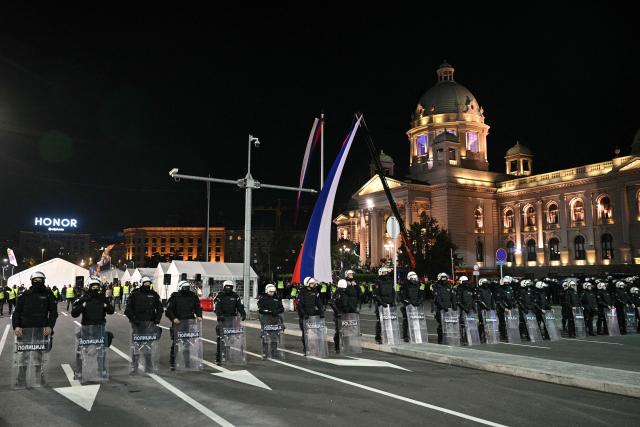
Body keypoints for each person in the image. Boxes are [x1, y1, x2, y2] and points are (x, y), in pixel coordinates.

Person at [12, 271, 58, 386]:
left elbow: (53, 312)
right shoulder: (25, 295)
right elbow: (16, 312)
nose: (37, 282)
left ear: (44, 281)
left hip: (41, 330)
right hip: (24, 330)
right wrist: (16, 326)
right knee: (23, 356)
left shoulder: (48, 295)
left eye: (40, 280)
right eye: (35, 280)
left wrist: (50, 326)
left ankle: (39, 378)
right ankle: (21, 379)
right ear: (31, 281)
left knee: (39, 355)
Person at [71, 277, 114, 379]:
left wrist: (106, 306)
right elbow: (74, 313)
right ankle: (79, 372)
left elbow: (111, 311)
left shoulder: (102, 299)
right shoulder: (84, 299)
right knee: (80, 350)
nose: (95, 288)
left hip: (99, 328)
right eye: (93, 286)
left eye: (97, 286)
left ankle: (102, 370)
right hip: (86, 329)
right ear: (89, 287)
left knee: (101, 350)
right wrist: (83, 306)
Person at [124, 276, 164, 374]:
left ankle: (149, 367)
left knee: (148, 346)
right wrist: (134, 320)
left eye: (148, 283)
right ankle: (134, 367)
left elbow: (160, 308)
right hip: (137, 324)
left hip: (150, 324)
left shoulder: (154, 295)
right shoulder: (135, 294)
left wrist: (157, 319)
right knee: (136, 346)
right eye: (145, 283)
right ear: (141, 283)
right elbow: (128, 310)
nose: (147, 285)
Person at [165, 280, 202, 370]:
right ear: (180, 288)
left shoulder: (193, 296)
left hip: (189, 323)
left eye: (187, 288)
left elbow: (197, 307)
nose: (186, 289)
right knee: (176, 343)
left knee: (188, 344)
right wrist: (173, 318)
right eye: (184, 288)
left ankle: (187, 362)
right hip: (178, 323)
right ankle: (173, 362)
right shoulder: (175, 297)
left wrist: (199, 315)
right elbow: (169, 310)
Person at [214, 280, 246, 364]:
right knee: (221, 338)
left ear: (232, 287)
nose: (228, 288)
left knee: (230, 338)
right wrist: (219, 315)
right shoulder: (219, 296)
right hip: (222, 319)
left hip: (232, 319)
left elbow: (239, 306)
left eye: (230, 287)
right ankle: (219, 357)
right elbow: (217, 307)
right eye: (227, 286)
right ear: (224, 287)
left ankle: (227, 355)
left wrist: (243, 314)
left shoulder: (235, 296)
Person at [330, 279, 359, 353]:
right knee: (338, 331)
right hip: (339, 315)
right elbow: (332, 303)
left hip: (346, 313)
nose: (343, 289)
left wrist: (353, 310)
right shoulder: (337, 293)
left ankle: (346, 345)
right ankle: (337, 347)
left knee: (347, 331)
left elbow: (350, 303)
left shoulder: (346, 293)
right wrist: (338, 312)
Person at [297, 277, 324, 354]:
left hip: (313, 315)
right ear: (307, 284)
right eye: (312, 283)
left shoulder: (315, 292)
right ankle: (306, 348)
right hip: (305, 316)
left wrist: (321, 312)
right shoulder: (302, 292)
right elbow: (300, 305)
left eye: (314, 283)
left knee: (316, 332)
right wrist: (303, 314)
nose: (314, 285)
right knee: (305, 333)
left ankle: (316, 347)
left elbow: (319, 303)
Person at [258, 284, 285, 357]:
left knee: (275, 335)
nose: (272, 293)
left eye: (273, 292)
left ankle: (274, 351)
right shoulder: (263, 298)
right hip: (266, 318)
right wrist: (269, 311)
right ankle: (265, 352)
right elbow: (260, 309)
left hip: (275, 318)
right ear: (267, 291)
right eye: (270, 292)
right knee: (265, 335)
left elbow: (282, 308)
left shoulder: (277, 298)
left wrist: (277, 311)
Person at [399, 271, 424, 342]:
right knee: (406, 321)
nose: (414, 280)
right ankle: (405, 336)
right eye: (413, 278)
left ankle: (416, 335)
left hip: (416, 306)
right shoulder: (404, 285)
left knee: (416, 321)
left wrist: (418, 302)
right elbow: (402, 297)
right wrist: (409, 303)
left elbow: (421, 295)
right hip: (407, 306)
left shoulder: (418, 285)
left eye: (415, 278)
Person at [373, 267, 396, 344]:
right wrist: (382, 303)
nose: (386, 274)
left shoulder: (390, 281)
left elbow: (393, 292)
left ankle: (389, 336)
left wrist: (393, 301)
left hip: (389, 304)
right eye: (384, 272)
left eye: (386, 272)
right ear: (380, 273)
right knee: (380, 321)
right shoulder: (377, 282)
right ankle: (378, 338)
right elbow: (376, 294)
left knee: (390, 320)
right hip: (381, 305)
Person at [433, 272, 456, 344]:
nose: (444, 281)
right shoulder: (436, 286)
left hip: (448, 309)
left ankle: (448, 339)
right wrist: (443, 307)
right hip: (440, 309)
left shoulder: (449, 286)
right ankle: (440, 340)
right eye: (442, 279)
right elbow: (437, 299)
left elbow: (453, 297)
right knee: (441, 324)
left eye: (445, 279)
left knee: (448, 324)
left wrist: (454, 307)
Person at [476, 278, 495, 343]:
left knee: (488, 323)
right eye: (484, 283)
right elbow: (479, 300)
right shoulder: (479, 290)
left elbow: (492, 299)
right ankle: (480, 336)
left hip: (489, 309)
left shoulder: (489, 290)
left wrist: (493, 307)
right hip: (482, 309)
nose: (486, 284)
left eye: (486, 283)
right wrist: (485, 307)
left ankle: (487, 336)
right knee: (481, 323)